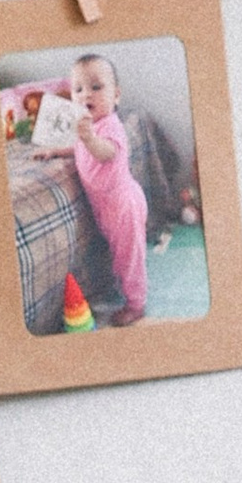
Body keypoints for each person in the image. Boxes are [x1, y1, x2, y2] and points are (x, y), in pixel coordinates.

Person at [64, 51, 148, 321]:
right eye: (78, 89)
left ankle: (136, 304)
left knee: (129, 258)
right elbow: (82, 149)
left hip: (123, 206)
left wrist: (88, 138)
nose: (86, 95)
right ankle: (121, 287)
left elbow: (106, 152)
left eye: (96, 87)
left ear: (116, 95)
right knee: (119, 253)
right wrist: (58, 151)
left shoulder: (110, 126)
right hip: (107, 206)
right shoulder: (88, 130)